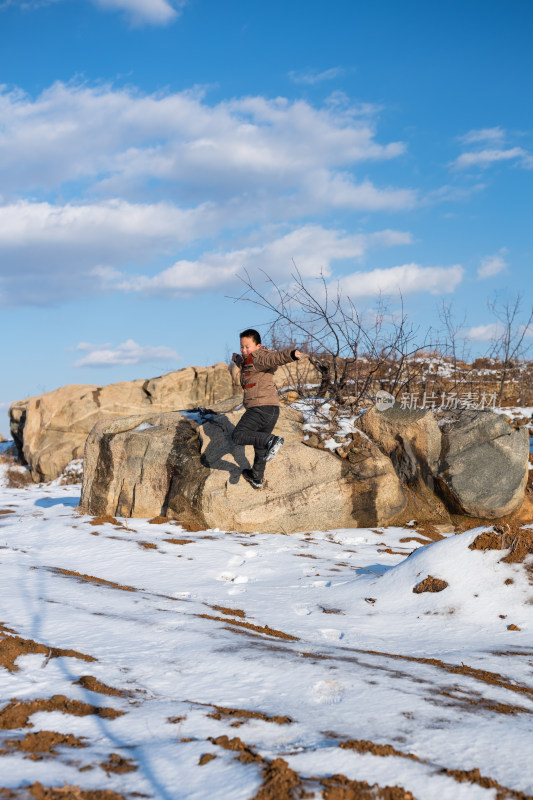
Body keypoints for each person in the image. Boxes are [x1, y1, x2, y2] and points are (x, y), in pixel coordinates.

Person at [231, 328, 302, 489]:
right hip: (271, 410)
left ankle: (272, 440)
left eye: (247, 347)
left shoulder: (260, 356)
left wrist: (291, 355)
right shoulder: (249, 358)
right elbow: (245, 362)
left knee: (238, 435)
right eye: (242, 346)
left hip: (260, 407)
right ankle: (256, 477)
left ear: (258, 346)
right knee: (259, 446)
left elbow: (275, 358)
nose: (244, 350)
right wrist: (237, 358)